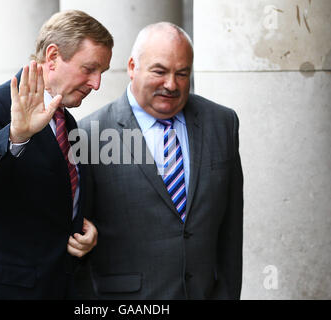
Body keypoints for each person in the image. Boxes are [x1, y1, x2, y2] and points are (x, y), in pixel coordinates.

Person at [0, 10, 113, 300]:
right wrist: (16, 136)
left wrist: (83, 233)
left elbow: (53, 203)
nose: (97, 83)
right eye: (89, 68)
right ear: (52, 57)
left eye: (102, 72)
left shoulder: (68, 123)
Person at [76, 22, 243, 299]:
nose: (171, 84)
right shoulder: (89, 134)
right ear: (132, 67)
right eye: (159, 71)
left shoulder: (222, 123)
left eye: (182, 73)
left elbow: (231, 230)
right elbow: (77, 244)